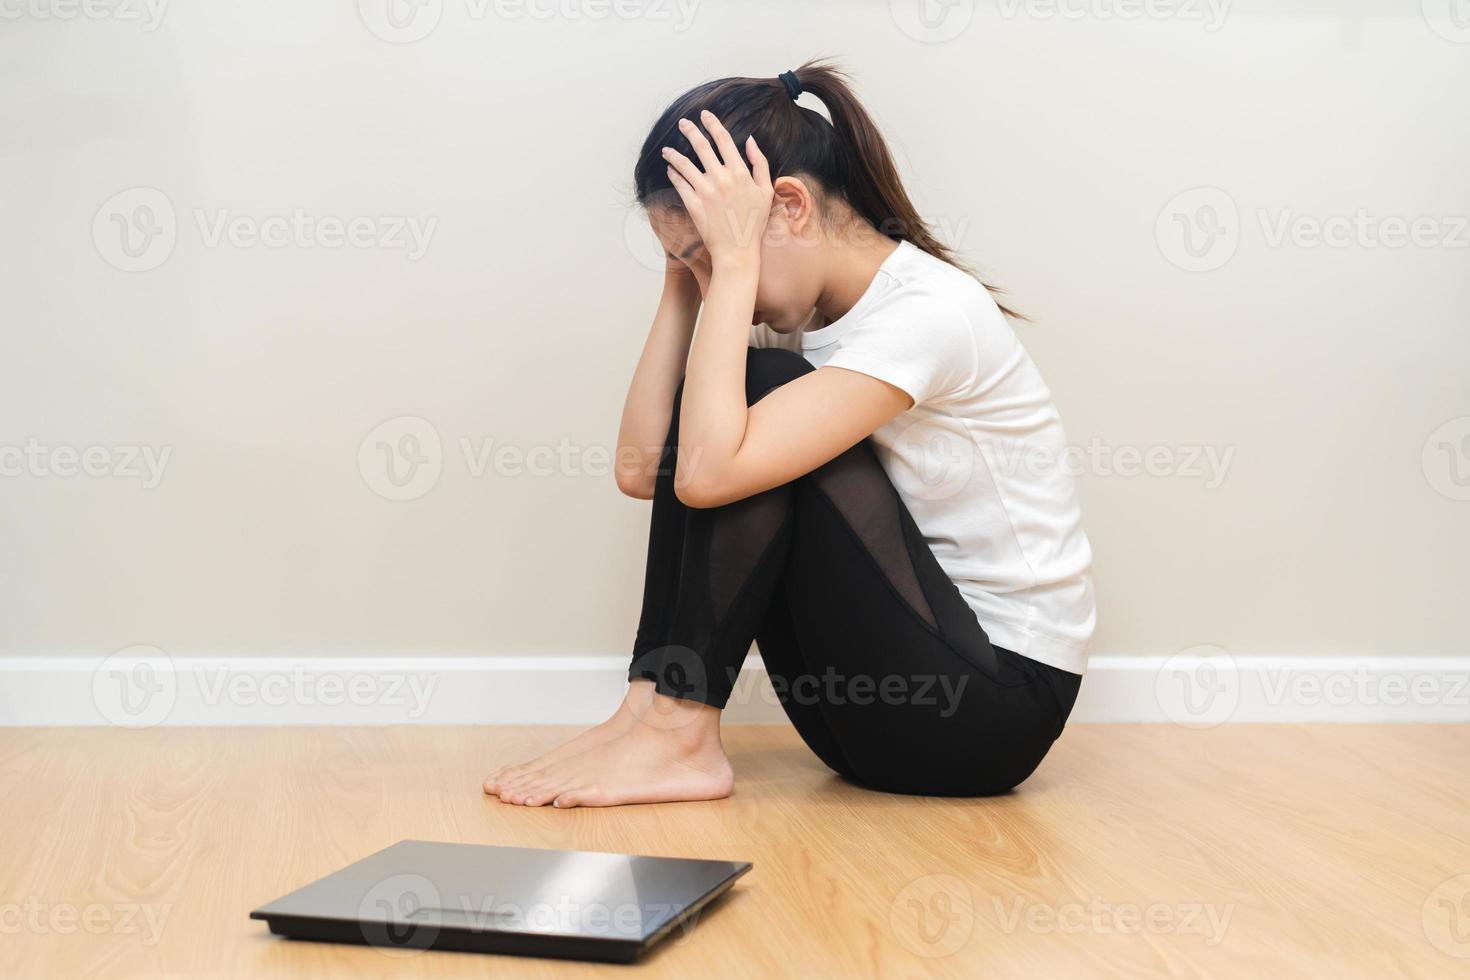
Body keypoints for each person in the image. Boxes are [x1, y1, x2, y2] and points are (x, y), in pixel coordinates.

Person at [484, 61, 1094, 808]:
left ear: (790, 207)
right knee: (730, 397)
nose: (714, 286)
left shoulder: (930, 312)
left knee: (749, 392)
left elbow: (706, 475)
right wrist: (688, 271)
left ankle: (676, 731)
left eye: (710, 256)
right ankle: (649, 712)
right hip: (861, 719)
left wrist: (731, 258)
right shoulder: (800, 319)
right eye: (691, 267)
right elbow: (644, 467)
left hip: (990, 712)